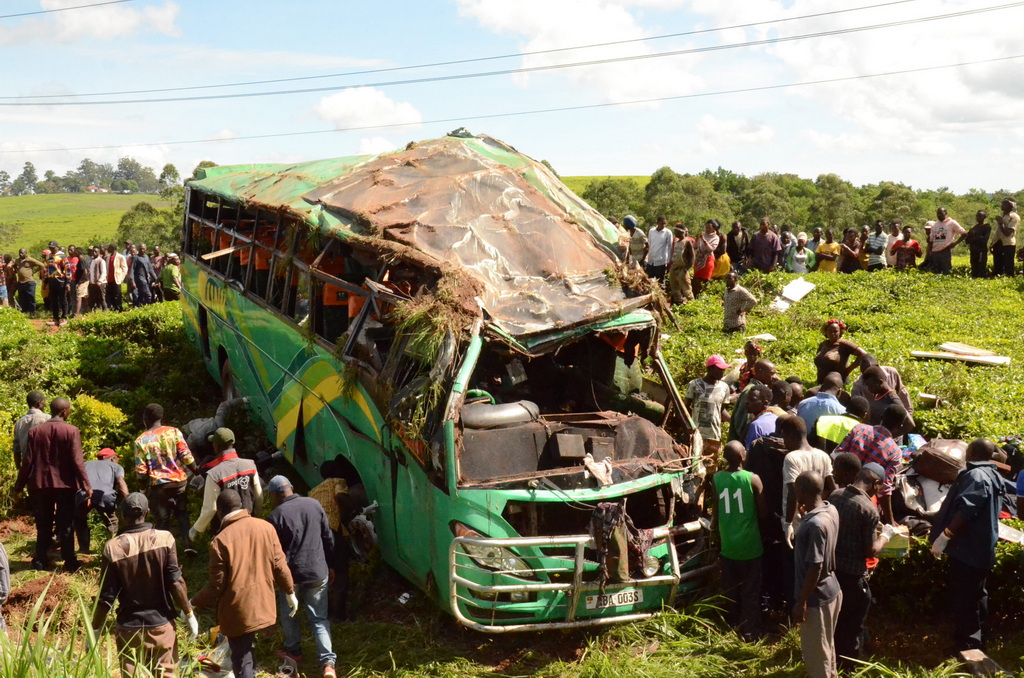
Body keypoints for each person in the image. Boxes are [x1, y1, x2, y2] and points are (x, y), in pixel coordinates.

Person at [192, 489, 298, 678]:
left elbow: (216, 585)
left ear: (219, 512)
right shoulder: (265, 527)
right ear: (241, 506)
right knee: (248, 649)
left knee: (241, 660)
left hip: (237, 611)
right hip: (263, 604)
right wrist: (290, 591)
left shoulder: (220, 541)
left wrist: (192, 603)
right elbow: (280, 566)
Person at [93, 493, 198, 678]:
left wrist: (94, 629)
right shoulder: (164, 539)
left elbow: (106, 598)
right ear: (148, 512)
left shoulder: (112, 547)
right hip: (161, 626)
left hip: (128, 630)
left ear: (123, 515)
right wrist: (189, 615)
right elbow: (176, 582)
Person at [929, 439, 1006, 653]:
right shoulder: (991, 474)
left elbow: (967, 509)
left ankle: (968, 644)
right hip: (980, 548)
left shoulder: (976, 476)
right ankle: (978, 638)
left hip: (969, 550)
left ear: (971, 452)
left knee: (966, 597)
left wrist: (945, 535)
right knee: (977, 594)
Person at [267, 476, 338, 677]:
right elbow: (328, 538)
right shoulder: (314, 504)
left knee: (290, 614)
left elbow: (274, 552)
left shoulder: (276, 516)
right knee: (319, 619)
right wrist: (331, 565)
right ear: (292, 487)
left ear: (273, 495)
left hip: (292, 577)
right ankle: (328, 663)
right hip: (318, 571)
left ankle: (294, 651)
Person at [829, 463, 895, 670]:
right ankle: (850, 667)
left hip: (832, 572)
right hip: (853, 575)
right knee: (853, 624)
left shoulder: (835, 496)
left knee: (837, 621)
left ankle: (832, 662)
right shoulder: (868, 509)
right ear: (875, 483)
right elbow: (870, 551)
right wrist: (886, 536)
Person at [14, 397, 91, 572]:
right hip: (65, 486)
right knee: (66, 524)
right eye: (69, 410)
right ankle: (69, 562)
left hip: (40, 485)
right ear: (64, 412)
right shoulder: (71, 431)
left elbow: (28, 462)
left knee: (43, 524)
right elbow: (77, 461)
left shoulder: (35, 431)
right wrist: (87, 485)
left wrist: (19, 486)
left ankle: (41, 560)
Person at [712, 441, 767, 641]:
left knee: (731, 590)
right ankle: (750, 631)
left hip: (728, 546)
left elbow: (716, 512)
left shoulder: (717, 479)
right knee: (751, 591)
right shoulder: (753, 479)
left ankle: (731, 626)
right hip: (750, 546)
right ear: (743, 456)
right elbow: (763, 513)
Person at [792, 471, 841, 678]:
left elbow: (815, 567)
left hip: (816, 599)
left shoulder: (814, 525)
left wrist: (801, 601)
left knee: (816, 657)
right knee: (826, 647)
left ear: (802, 491)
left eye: (796, 489)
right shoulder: (830, 510)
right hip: (832, 590)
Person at [134, 403, 200, 554]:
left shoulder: (141, 441)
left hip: (159, 487)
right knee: (182, 512)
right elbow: (186, 456)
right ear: (161, 417)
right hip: (179, 482)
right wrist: (197, 473)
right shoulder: (173, 432)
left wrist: (143, 490)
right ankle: (188, 544)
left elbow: (141, 470)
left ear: (146, 419)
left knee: (163, 519)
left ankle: (164, 552)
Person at [834, 404, 912, 526]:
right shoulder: (895, 452)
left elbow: (836, 455)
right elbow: (884, 490)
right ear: (900, 427)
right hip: (864, 498)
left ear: (881, 416)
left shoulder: (859, 428)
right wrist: (890, 521)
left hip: (839, 487)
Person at [189, 427, 263, 542]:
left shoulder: (214, 474)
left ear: (216, 446)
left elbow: (210, 508)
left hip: (226, 532)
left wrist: (196, 529)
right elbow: (259, 496)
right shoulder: (250, 465)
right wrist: (257, 515)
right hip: (249, 524)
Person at [780, 416, 835, 549]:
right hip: (819, 518)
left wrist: (788, 524)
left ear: (791, 436)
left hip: (797, 524)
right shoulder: (823, 455)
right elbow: (832, 487)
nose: (784, 442)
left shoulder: (791, 458)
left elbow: (792, 493)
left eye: (784, 437)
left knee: (795, 564)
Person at [684, 355, 732, 489]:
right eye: (719, 369)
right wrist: (688, 428)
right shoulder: (695, 384)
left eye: (723, 370)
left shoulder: (724, 387)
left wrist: (734, 421)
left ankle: (704, 503)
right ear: (710, 369)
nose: (722, 372)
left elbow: (721, 410)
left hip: (714, 436)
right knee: (694, 469)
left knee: (710, 471)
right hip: (697, 436)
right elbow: (685, 408)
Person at [75, 447, 129, 553]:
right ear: (112, 458)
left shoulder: (86, 464)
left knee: (79, 519)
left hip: (84, 494)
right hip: (105, 495)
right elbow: (120, 482)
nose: (117, 460)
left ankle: (83, 549)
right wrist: (128, 500)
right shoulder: (116, 466)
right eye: (116, 458)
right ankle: (112, 550)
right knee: (112, 521)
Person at [729, 360, 778, 444]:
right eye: (772, 373)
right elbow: (741, 425)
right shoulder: (751, 392)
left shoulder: (759, 390)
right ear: (760, 372)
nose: (775, 377)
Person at [813, 319, 865, 385]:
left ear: (840, 332)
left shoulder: (844, 344)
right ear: (826, 331)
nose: (832, 333)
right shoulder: (823, 344)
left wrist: (848, 370)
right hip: (821, 383)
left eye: (835, 331)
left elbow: (863, 354)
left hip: (838, 384)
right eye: (830, 331)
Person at [797, 373, 846, 442]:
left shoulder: (803, 403)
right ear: (839, 392)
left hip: (802, 444)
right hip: (826, 450)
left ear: (821, 387)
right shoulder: (842, 411)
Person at [13, 390, 49, 470]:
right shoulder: (48, 418)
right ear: (39, 403)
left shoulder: (19, 422)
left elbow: (16, 450)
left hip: (27, 469)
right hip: (45, 468)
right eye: (44, 402)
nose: (45, 404)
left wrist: (20, 470)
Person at [928, 207, 966, 275]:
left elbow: (964, 233)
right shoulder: (935, 225)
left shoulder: (952, 223)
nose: (939, 215)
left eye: (941, 213)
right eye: (937, 213)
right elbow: (931, 240)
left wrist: (955, 243)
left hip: (945, 251)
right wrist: (929, 253)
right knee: (935, 273)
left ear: (945, 213)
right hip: (935, 252)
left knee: (946, 272)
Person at [43, 240, 70, 326]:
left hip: (61, 280)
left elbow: (67, 269)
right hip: (52, 280)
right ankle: (55, 318)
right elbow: (47, 270)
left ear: (57, 247)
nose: (51, 249)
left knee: (63, 299)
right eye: (50, 247)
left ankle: (64, 317)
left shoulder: (62, 256)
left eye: (53, 248)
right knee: (54, 300)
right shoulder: (49, 257)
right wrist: (45, 282)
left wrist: (68, 282)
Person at [744, 384, 777, 450]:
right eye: (747, 399)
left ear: (765, 403)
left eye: (752, 400)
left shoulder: (756, 425)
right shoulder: (776, 419)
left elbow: (750, 452)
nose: (747, 402)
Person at [668, 226, 695, 304]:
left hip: (683, 268)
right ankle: (678, 303)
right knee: (675, 288)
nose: (675, 233)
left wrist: (686, 269)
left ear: (681, 232)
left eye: (676, 231)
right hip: (675, 267)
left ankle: (692, 305)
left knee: (686, 289)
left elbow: (692, 257)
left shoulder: (687, 242)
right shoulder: (677, 242)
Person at [692, 219, 719, 297]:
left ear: (714, 228)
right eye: (706, 227)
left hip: (708, 260)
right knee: (696, 279)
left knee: (705, 280)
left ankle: (703, 297)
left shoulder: (716, 237)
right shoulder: (702, 234)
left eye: (709, 228)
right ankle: (695, 296)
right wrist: (697, 240)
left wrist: (704, 240)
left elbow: (711, 249)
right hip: (699, 259)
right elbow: (694, 247)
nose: (707, 229)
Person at [993, 199, 1019, 277]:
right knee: (997, 264)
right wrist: (993, 243)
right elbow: (998, 231)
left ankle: (1008, 280)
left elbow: (1007, 233)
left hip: (1008, 243)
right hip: (998, 242)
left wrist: (1001, 223)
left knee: (1008, 265)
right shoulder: (1002, 215)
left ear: (1010, 206)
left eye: (1004, 204)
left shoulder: (1014, 217)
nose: (1002, 206)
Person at [14, 248, 44, 314]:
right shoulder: (17, 260)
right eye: (19, 253)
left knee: (30, 298)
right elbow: (14, 266)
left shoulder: (30, 260)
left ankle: (32, 312)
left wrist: (34, 271)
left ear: (26, 253)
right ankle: (24, 311)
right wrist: (17, 270)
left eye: (22, 253)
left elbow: (41, 265)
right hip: (21, 282)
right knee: (22, 298)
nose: (20, 254)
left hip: (29, 282)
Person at [645, 217, 672, 284]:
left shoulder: (668, 233)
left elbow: (670, 248)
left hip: (660, 262)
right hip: (651, 260)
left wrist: (668, 262)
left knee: (660, 282)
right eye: (661, 223)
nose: (663, 225)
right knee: (648, 281)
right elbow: (649, 244)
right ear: (657, 223)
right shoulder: (651, 231)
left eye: (664, 224)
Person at [106, 243, 129, 312]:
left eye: (109, 248)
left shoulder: (120, 257)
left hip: (116, 279)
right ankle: (113, 309)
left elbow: (124, 269)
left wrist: (121, 278)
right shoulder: (108, 257)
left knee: (117, 296)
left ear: (113, 248)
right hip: (109, 280)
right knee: (110, 296)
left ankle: (119, 309)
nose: (108, 249)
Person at [88, 246, 108, 311]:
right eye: (93, 251)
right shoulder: (92, 261)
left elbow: (104, 272)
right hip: (93, 284)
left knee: (102, 299)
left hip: (100, 283)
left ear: (99, 252)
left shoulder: (101, 261)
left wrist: (100, 281)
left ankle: (105, 312)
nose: (94, 253)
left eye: (95, 251)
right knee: (92, 299)